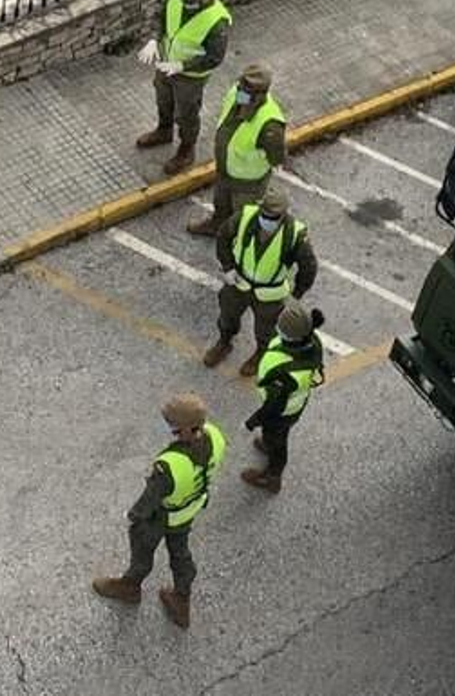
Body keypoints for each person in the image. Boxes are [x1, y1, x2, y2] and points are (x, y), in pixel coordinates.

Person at [92, 393, 226, 631]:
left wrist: (134, 517)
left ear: (187, 430)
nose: (170, 429)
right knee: (180, 554)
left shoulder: (170, 466)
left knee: (143, 548)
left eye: (173, 426)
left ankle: (130, 586)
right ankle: (182, 599)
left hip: (162, 516)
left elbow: (149, 501)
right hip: (188, 509)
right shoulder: (214, 436)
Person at [205, 181, 317, 374]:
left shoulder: (295, 235)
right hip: (238, 283)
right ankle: (224, 343)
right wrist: (228, 267)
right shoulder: (246, 217)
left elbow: (309, 268)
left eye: (272, 217)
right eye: (264, 214)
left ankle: (260, 354)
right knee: (227, 316)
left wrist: (295, 295)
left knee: (266, 330)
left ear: (283, 215)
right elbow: (223, 236)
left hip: (270, 294)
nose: (266, 220)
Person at [135, 0, 232, 177]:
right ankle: (164, 131)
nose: (187, 6)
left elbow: (215, 57)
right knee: (163, 99)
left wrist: (182, 66)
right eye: (185, 1)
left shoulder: (216, 21)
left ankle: (187, 150)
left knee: (186, 113)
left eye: (191, 4)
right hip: (166, 64)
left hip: (191, 77)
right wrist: (154, 39)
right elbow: (161, 18)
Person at [186, 64, 286, 239]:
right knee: (221, 202)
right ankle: (217, 224)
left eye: (247, 90)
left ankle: (241, 240)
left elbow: (276, 156)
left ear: (259, 95)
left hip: (248, 182)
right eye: (241, 86)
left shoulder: (270, 124)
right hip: (225, 170)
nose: (241, 91)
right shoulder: (236, 94)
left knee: (243, 215)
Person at [242, 301, 326, 495]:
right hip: (291, 405)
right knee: (275, 436)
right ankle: (268, 443)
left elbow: (274, 406)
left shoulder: (287, 373)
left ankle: (272, 477)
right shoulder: (310, 340)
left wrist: (254, 420)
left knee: (278, 443)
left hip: (282, 413)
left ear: (287, 334)